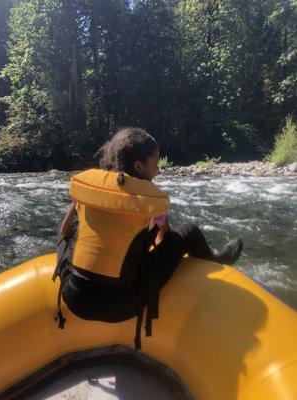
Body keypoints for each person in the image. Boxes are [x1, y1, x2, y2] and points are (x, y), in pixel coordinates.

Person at [54, 127, 242, 349]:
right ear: (139, 166)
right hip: (121, 306)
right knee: (189, 231)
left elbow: (64, 231)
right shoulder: (150, 201)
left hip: (74, 298)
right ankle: (217, 261)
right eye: (156, 163)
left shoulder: (89, 189)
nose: (159, 170)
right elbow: (165, 238)